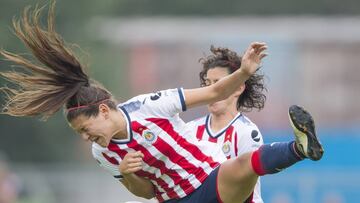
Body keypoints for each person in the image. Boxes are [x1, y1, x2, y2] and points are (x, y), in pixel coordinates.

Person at [0, 2, 324, 203]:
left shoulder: (148, 106)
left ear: (102, 109)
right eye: (81, 135)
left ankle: (300, 148)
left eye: (86, 129)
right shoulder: (103, 152)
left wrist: (244, 71)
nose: (87, 139)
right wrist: (128, 175)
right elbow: (146, 193)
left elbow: (212, 93)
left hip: (208, 180)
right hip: (174, 201)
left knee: (243, 164)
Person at [186, 46, 266, 203]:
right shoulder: (189, 131)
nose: (212, 90)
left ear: (238, 88)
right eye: (207, 84)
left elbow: (241, 190)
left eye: (218, 83)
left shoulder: (247, 133)